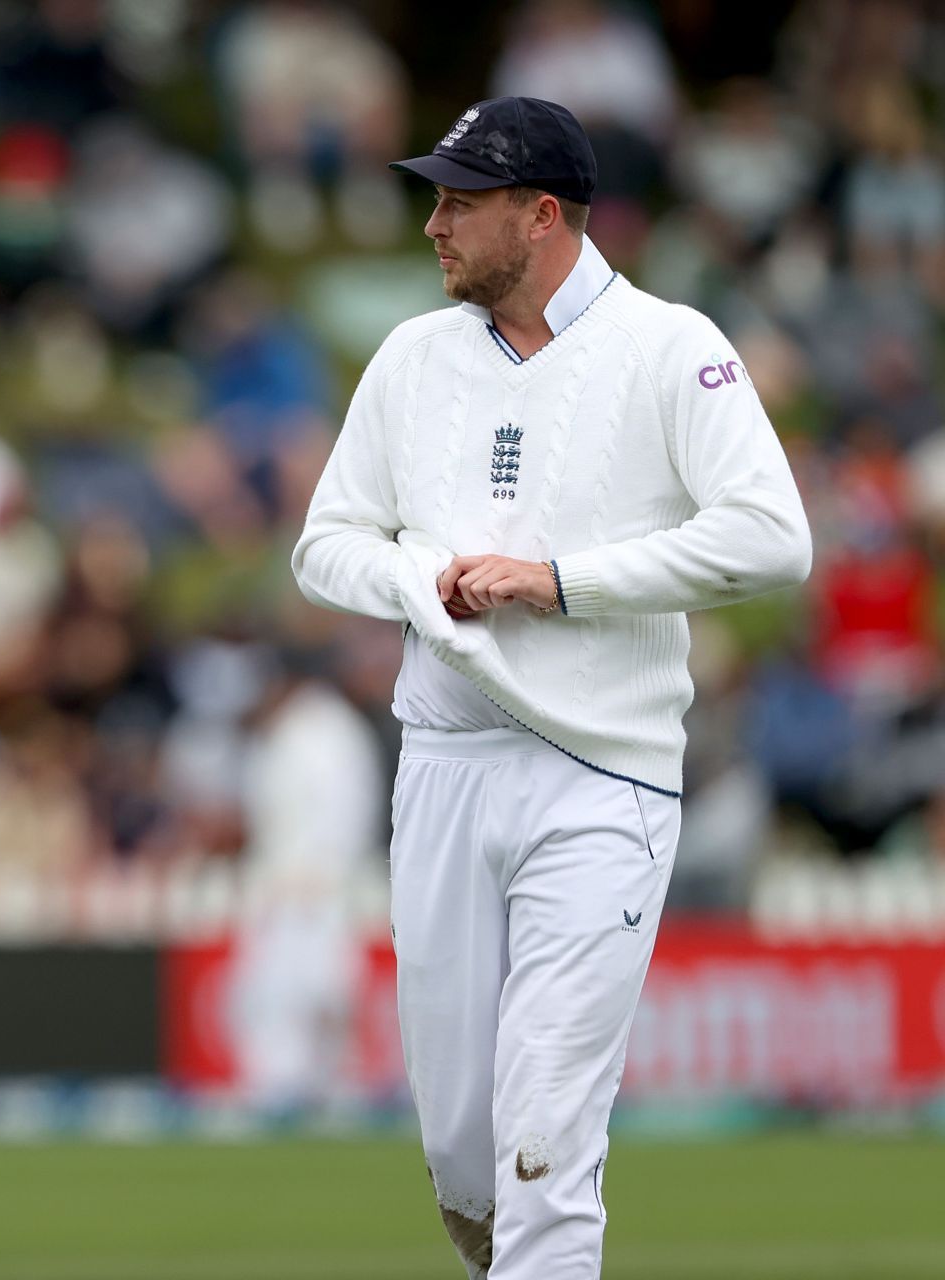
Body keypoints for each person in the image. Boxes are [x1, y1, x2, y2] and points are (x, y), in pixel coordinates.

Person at [292, 97, 812, 1278]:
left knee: (546, 1143)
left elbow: (772, 538)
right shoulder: (412, 356)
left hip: (602, 776)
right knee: (465, 1158)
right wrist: (426, 577)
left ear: (540, 217)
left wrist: (558, 581)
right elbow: (325, 546)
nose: (433, 225)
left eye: (459, 202)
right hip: (443, 766)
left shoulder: (672, 347)